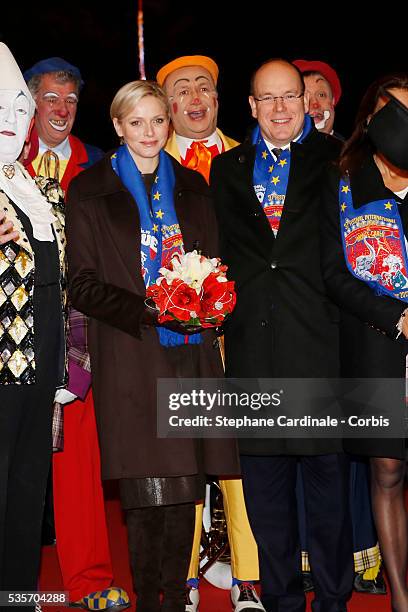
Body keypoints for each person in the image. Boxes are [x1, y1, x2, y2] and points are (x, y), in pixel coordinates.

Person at [65, 79, 240, 612]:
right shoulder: (89, 189)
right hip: (130, 352)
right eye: (136, 122)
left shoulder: (192, 185)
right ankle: (152, 601)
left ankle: (177, 597)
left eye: (157, 121)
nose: (149, 132)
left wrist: (207, 299)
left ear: (168, 124)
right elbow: (84, 284)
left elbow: (211, 263)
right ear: (118, 126)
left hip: (190, 351)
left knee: (185, 485)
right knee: (145, 491)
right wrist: (150, 309)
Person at [211, 57, 354, 612]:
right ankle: (282, 600)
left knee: (328, 494)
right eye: (267, 98)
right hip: (253, 352)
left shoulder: (339, 159)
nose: (279, 108)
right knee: (266, 497)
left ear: (307, 102)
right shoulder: (225, 170)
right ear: (250, 106)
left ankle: (335, 600)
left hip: (322, 348)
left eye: (289, 97)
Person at [157, 55, 264, 612]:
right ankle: (187, 576)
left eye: (205, 88)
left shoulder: (249, 160)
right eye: (181, 90)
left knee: (238, 458)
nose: (195, 98)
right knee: (186, 457)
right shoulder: (151, 161)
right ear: (166, 106)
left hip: (243, 332)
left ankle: (249, 576)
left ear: (219, 101)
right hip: (179, 332)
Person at [22, 57, 129, 611]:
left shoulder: (100, 168)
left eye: (70, 99)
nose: (61, 110)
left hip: (77, 337)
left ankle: (88, 581)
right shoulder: (5, 161)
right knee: (12, 465)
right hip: (12, 334)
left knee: (78, 465)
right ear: (29, 103)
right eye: (49, 99)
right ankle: (13, 588)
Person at [293, 59, 385, 596]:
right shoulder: (274, 161)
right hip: (306, 324)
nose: (313, 102)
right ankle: (311, 558)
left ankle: (365, 559)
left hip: (355, 324)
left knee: (359, 452)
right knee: (308, 444)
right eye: (302, 94)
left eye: (322, 93)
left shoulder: (360, 159)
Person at [320, 72, 408, 612]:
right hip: (376, 342)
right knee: (388, 469)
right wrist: (397, 317)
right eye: (394, 110)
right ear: (371, 119)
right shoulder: (343, 181)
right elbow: (332, 274)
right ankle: (402, 597)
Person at [0, 42, 66, 610]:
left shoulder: (42, 187)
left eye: (20, 111)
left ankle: (17, 595)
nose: (12, 122)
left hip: (42, 359)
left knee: (27, 488)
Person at [292, 59, 342, 136]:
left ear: (333, 100)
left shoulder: (353, 148)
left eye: (321, 95)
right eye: (304, 97)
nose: (315, 105)